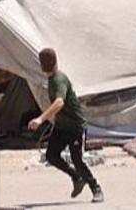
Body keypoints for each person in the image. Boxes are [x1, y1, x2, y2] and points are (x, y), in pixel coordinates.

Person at [28, 47, 103, 203]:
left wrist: (41, 119)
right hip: (62, 127)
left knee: (77, 160)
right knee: (51, 155)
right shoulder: (51, 80)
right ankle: (76, 178)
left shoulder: (59, 79)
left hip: (75, 127)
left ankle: (96, 188)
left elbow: (59, 102)